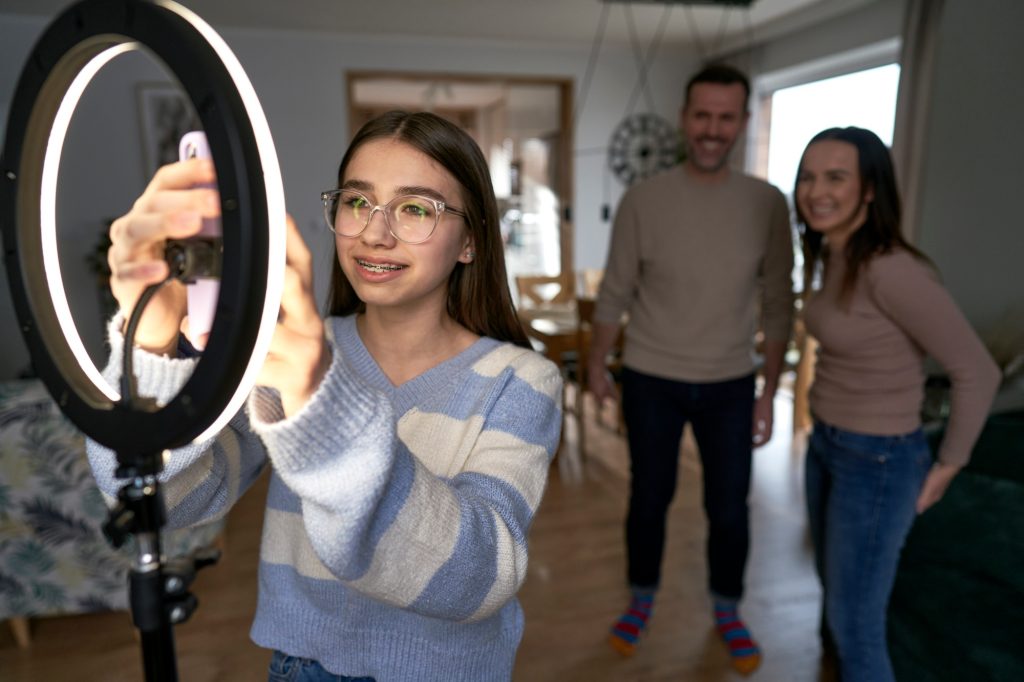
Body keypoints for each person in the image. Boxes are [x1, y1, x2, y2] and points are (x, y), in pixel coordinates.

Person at [87, 111, 563, 681]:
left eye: (415, 209)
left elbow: (483, 576)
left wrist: (325, 412)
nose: (374, 233)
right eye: (358, 202)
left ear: (470, 242)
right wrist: (154, 348)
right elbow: (172, 499)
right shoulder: (291, 357)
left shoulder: (523, 381)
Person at [589, 63, 794, 674]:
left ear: (742, 122)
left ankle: (727, 607)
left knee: (730, 506)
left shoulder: (767, 204)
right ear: (684, 118)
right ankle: (642, 597)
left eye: (725, 117)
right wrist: (598, 363)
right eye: (702, 115)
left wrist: (769, 392)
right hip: (651, 376)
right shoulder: (643, 200)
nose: (712, 128)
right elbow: (615, 293)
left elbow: (779, 303)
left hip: (732, 382)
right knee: (649, 497)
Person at [794, 126, 1000, 682]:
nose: (816, 190)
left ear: (869, 190)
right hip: (829, 445)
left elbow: (977, 370)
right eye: (808, 176)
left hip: (878, 461)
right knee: (838, 601)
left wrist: (950, 463)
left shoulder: (892, 269)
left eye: (836, 176)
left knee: (855, 625)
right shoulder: (834, 253)